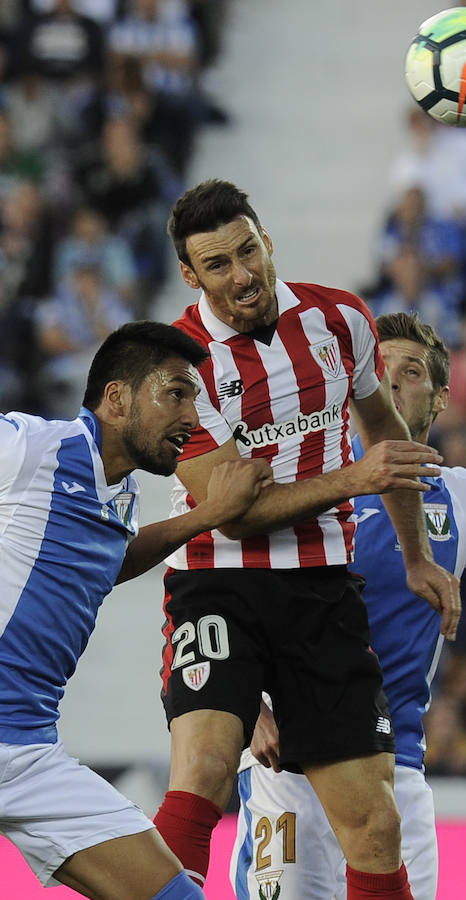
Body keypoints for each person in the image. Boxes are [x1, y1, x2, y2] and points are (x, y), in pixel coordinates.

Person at [153, 179, 461, 900]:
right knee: (200, 775)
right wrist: (353, 479)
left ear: (265, 240)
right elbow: (233, 512)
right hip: (216, 580)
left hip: (321, 588)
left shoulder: (338, 318)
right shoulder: (178, 365)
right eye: (219, 264)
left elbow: (385, 433)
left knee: (376, 827)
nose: (242, 275)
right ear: (189, 275)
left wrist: (414, 553)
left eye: (248, 251)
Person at [230, 311, 466, 900]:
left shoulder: (464, 498)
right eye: (378, 369)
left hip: (397, 766)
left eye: (410, 372)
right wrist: (246, 704)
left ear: (439, 399)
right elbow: (226, 593)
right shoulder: (308, 478)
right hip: (290, 764)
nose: (389, 382)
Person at [0, 319, 273, 900]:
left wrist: (206, 514)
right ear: (118, 399)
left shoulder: (118, 491)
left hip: (27, 749)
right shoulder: (30, 447)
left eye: (196, 397)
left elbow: (112, 559)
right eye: (176, 392)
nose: (194, 418)